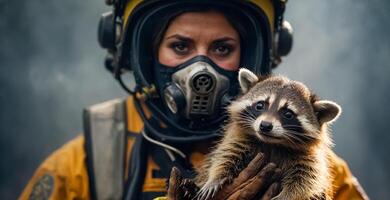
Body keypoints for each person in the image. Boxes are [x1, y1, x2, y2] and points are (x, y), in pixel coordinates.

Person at [19, 0, 368, 199]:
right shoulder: (82, 162)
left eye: (222, 48)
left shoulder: (322, 169)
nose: (201, 69)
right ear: (144, 54)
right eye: (180, 46)